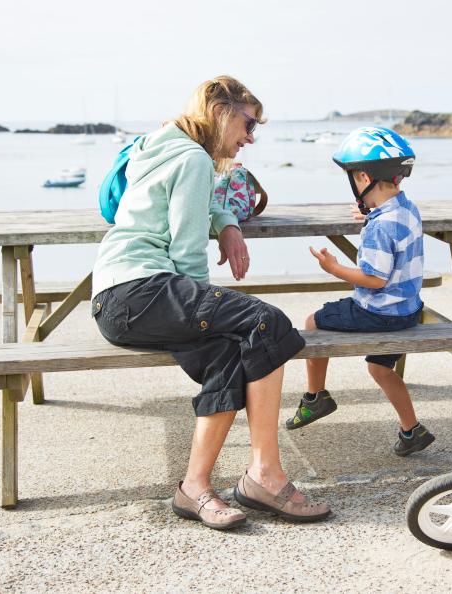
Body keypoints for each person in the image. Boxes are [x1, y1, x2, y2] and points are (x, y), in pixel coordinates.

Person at [90, 76, 330, 530]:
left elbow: (190, 206)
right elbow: (185, 253)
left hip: (117, 300)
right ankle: (265, 475)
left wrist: (226, 220)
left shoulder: (160, 146)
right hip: (141, 290)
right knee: (268, 322)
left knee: (228, 353)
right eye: (248, 123)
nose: (250, 137)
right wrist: (206, 302)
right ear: (220, 111)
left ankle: (194, 488)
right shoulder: (193, 159)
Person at [287, 127, 435, 457]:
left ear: (364, 177)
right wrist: (370, 216)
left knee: (312, 322)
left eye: (354, 176)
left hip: (377, 312)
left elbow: (374, 279)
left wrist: (334, 268)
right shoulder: (406, 209)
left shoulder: (380, 227)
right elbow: (389, 229)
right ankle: (412, 429)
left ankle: (316, 397)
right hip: (407, 310)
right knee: (380, 368)